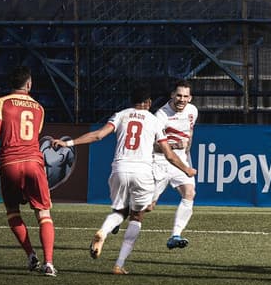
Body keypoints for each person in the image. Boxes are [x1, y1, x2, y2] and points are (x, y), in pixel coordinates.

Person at [53, 85, 196, 274]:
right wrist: (186, 168)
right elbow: (169, 154)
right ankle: (119, 264)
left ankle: (103, 232)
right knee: (137, 216)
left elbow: (97, 135)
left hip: (119, 169)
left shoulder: (120, 115)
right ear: (149, 103)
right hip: (143, 172)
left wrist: (68, 142)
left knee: (120, 211)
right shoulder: (154, 120)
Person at [0, 65, 58, 276]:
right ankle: (49, 263)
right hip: (33, 162)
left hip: (9, 163)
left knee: (13, 212)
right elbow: (34, 135)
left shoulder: (1, 103)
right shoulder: (39, 108)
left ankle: (31, 255)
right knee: (43, 213)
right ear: (29, 84)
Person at [151, 79, 199, 250]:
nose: (182, 99)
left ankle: (175, 235)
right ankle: (122, 213)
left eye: (185, 96)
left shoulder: (193, 110)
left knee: (189, 192)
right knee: (149, 206)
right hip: (161, 160)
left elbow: (190, 133)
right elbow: (152, 145)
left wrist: (186, 154)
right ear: (172, 95)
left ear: (190, 98)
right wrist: (174, 146)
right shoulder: (161, 116)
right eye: (178, 95)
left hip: (180, 161)